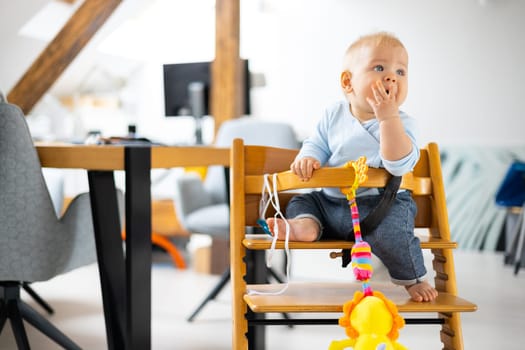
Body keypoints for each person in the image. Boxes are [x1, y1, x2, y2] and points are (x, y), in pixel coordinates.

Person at [267, 31, 438, 302]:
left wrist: (388, 118)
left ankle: (413, 279)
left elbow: (398, 164)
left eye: (401, 71)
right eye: (379, 67)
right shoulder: (332, 114)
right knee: (302, 202)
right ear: (348, 82)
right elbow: (318, 143)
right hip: (331, 203)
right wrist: (308, 158)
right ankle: (305, 226)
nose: (392, 76)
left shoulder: (404, 124)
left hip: (382, 205)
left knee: (395, 236)